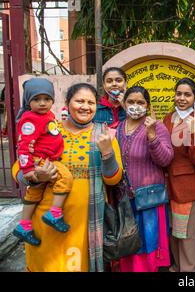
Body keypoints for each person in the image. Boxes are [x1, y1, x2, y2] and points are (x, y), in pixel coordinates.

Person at [12, 82, 123, 271]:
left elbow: (113, 179)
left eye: (90, 102)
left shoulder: (104, 135)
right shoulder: (50, 130)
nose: (85, 107)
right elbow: (18, 171)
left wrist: (107, 153)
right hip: (45, 224)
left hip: (85, 227)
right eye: (79, 101)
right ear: (67, 103)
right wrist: (38, 176)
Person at [116, 86, 174, 272]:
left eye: (140, 102)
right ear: (124, 104)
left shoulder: (157, 127)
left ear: (147, 105)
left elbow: (166, 160)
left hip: (148, 199)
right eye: (131, 102)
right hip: (125, 199)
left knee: (148, 244)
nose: (135, 106)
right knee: (128, 244)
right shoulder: (118, 127)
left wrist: (152, 136)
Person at [13, 78, 74, 247]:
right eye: (36, 99)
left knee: (35, 190)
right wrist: (28, 170)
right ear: (28, 101)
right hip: (41, 160)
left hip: (46, 158)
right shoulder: (30, 120)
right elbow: (24, 146)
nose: (42, 103)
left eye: (46, 99)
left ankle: (24, 225)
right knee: (65, 178)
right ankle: (54, 213)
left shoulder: (48, 115)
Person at [163, 78, 195, 272]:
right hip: (167, 184)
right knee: (173, 232)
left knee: (187, 234)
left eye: (187, 94)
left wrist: (192, 134)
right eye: (179, 94)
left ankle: (189, 271)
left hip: (187, 186)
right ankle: (177, 267)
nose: (182, 98)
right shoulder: (168, 118)